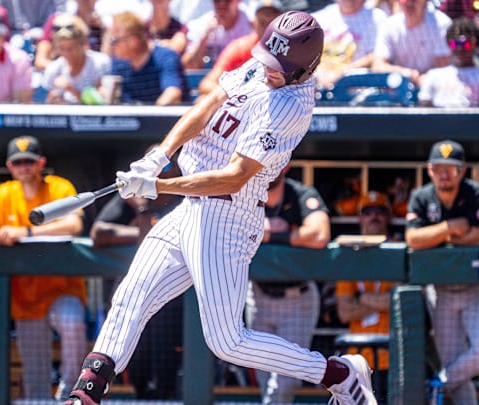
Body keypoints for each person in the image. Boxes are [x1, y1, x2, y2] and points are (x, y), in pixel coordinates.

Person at [62, 11, 377, 405]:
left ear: (304, 68)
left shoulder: (289, 107)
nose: (269, 70)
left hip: (227, 215)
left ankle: (339, 373)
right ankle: (86, 394)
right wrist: (160, 155)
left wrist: (157, 186)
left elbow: (234, 176)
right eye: (268, 59)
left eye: (280, 67)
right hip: (191, 209)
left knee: (227, 341)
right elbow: (209, 103)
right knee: (131, 295)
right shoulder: (261, 64)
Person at [0, 135, 86, 400]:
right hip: (25, 297)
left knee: (73, 322)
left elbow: (75, 224)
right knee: (35, 375)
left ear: (41, 163)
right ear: (10, 166)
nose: (24, 167)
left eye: (29, 161)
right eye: (18, 162)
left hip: (62, 289)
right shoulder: (4, 194)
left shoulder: (58, 188)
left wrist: (25, 231)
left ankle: (71, 388)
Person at [90, 145, 184, 399]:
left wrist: (152, 231)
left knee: (167, 375)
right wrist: (143, 215)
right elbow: (99, 233)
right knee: (139, 370)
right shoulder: (135, 194)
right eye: (155, 165)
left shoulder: (185, 196)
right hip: (135, 293)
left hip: (173, 298)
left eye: (165, 166)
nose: (160, 172)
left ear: (177, 167)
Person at [245, 164, 331, 404]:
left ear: (285, 165)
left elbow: (320, 234)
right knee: (265, 380)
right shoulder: (246, 192)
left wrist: (272, 234)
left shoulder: (301, 194)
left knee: (284, 381)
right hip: (259, 297)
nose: (268, 168)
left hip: (297, 298)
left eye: (275, 162)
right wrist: (293, 235)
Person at [405, 139, 479, 405]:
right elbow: (413, 239)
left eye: (452, 168)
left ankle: (439, 382)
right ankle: (447, 383)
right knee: (453, 360)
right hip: (440, 291)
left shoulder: (474, 193)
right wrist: (452, 227)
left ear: (463, 171)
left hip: (473, 289)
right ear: (429, 170)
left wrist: (437, 237)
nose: (445, 173)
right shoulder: (422, 197)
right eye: (439, 167)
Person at [335, 191, 399, 403]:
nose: (374, 216)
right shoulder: (349, 256)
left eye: (380, 211)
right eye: (367, 211)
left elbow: (402, 303)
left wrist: (362, 298)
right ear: (359, 218)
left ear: (389, 217)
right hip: (359, 358)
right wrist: (382, 301)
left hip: (394, 355)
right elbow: (344, 312)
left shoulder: (399, 250)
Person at [197, 4, 281, 97]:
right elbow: (207, 84)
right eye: (262, 23)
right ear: (254, 24)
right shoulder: (239, 47)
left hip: (277, 104)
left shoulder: (291, 51)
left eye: (273, 22)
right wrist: (243, 96)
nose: (267, 28)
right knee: (203, 99)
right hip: (241, 103)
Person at [109, 11, 188, 105]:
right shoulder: (119, 64)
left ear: (132, 41)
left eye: (114, 41)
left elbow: (173, 94)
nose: (112, 46)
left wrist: (152, 116)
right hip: (131, 118)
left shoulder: (165, 57)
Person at [371, 0, 452, 85]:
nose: (409, 3)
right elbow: (377, 66)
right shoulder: (389, 25)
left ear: (425, 2)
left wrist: (425, 80)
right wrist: (405, 73)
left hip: (435, 87)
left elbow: (443, 68)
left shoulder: (441, 24)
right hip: (400, 88)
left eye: (414, 0)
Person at [311, 0, 388, 89]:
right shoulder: (318, 18)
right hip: (317, 85)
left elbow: (377, 56)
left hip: (356, 88)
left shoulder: (377, 18)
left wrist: (341, 73)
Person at [41, 13, 110, 104]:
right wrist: (53, 100)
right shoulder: (53, 70)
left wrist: (71, 89)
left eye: (71, 48)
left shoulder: (100, 64)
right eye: (62, 48)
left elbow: (101, 105)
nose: (66, 53)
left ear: (84, 44)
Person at [418, 17, 479, 108]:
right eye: (455, 44)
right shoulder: (434, 76)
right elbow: (423, 109)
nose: (459, 48)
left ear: (475, 44)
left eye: (465, 44)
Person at [33, 0, 105, 72]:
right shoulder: (58, 21)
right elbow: (40, 61)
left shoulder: (105, 26)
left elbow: (105, 64)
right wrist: (66, 72)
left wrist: (105, 30)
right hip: (59, 80)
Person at [180, 0, 253, 69]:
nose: (221, 3)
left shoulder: (252, 26)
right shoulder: (200, 25)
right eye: (217, 0)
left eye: (227, 0)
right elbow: (189, 66)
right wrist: (204, 38)